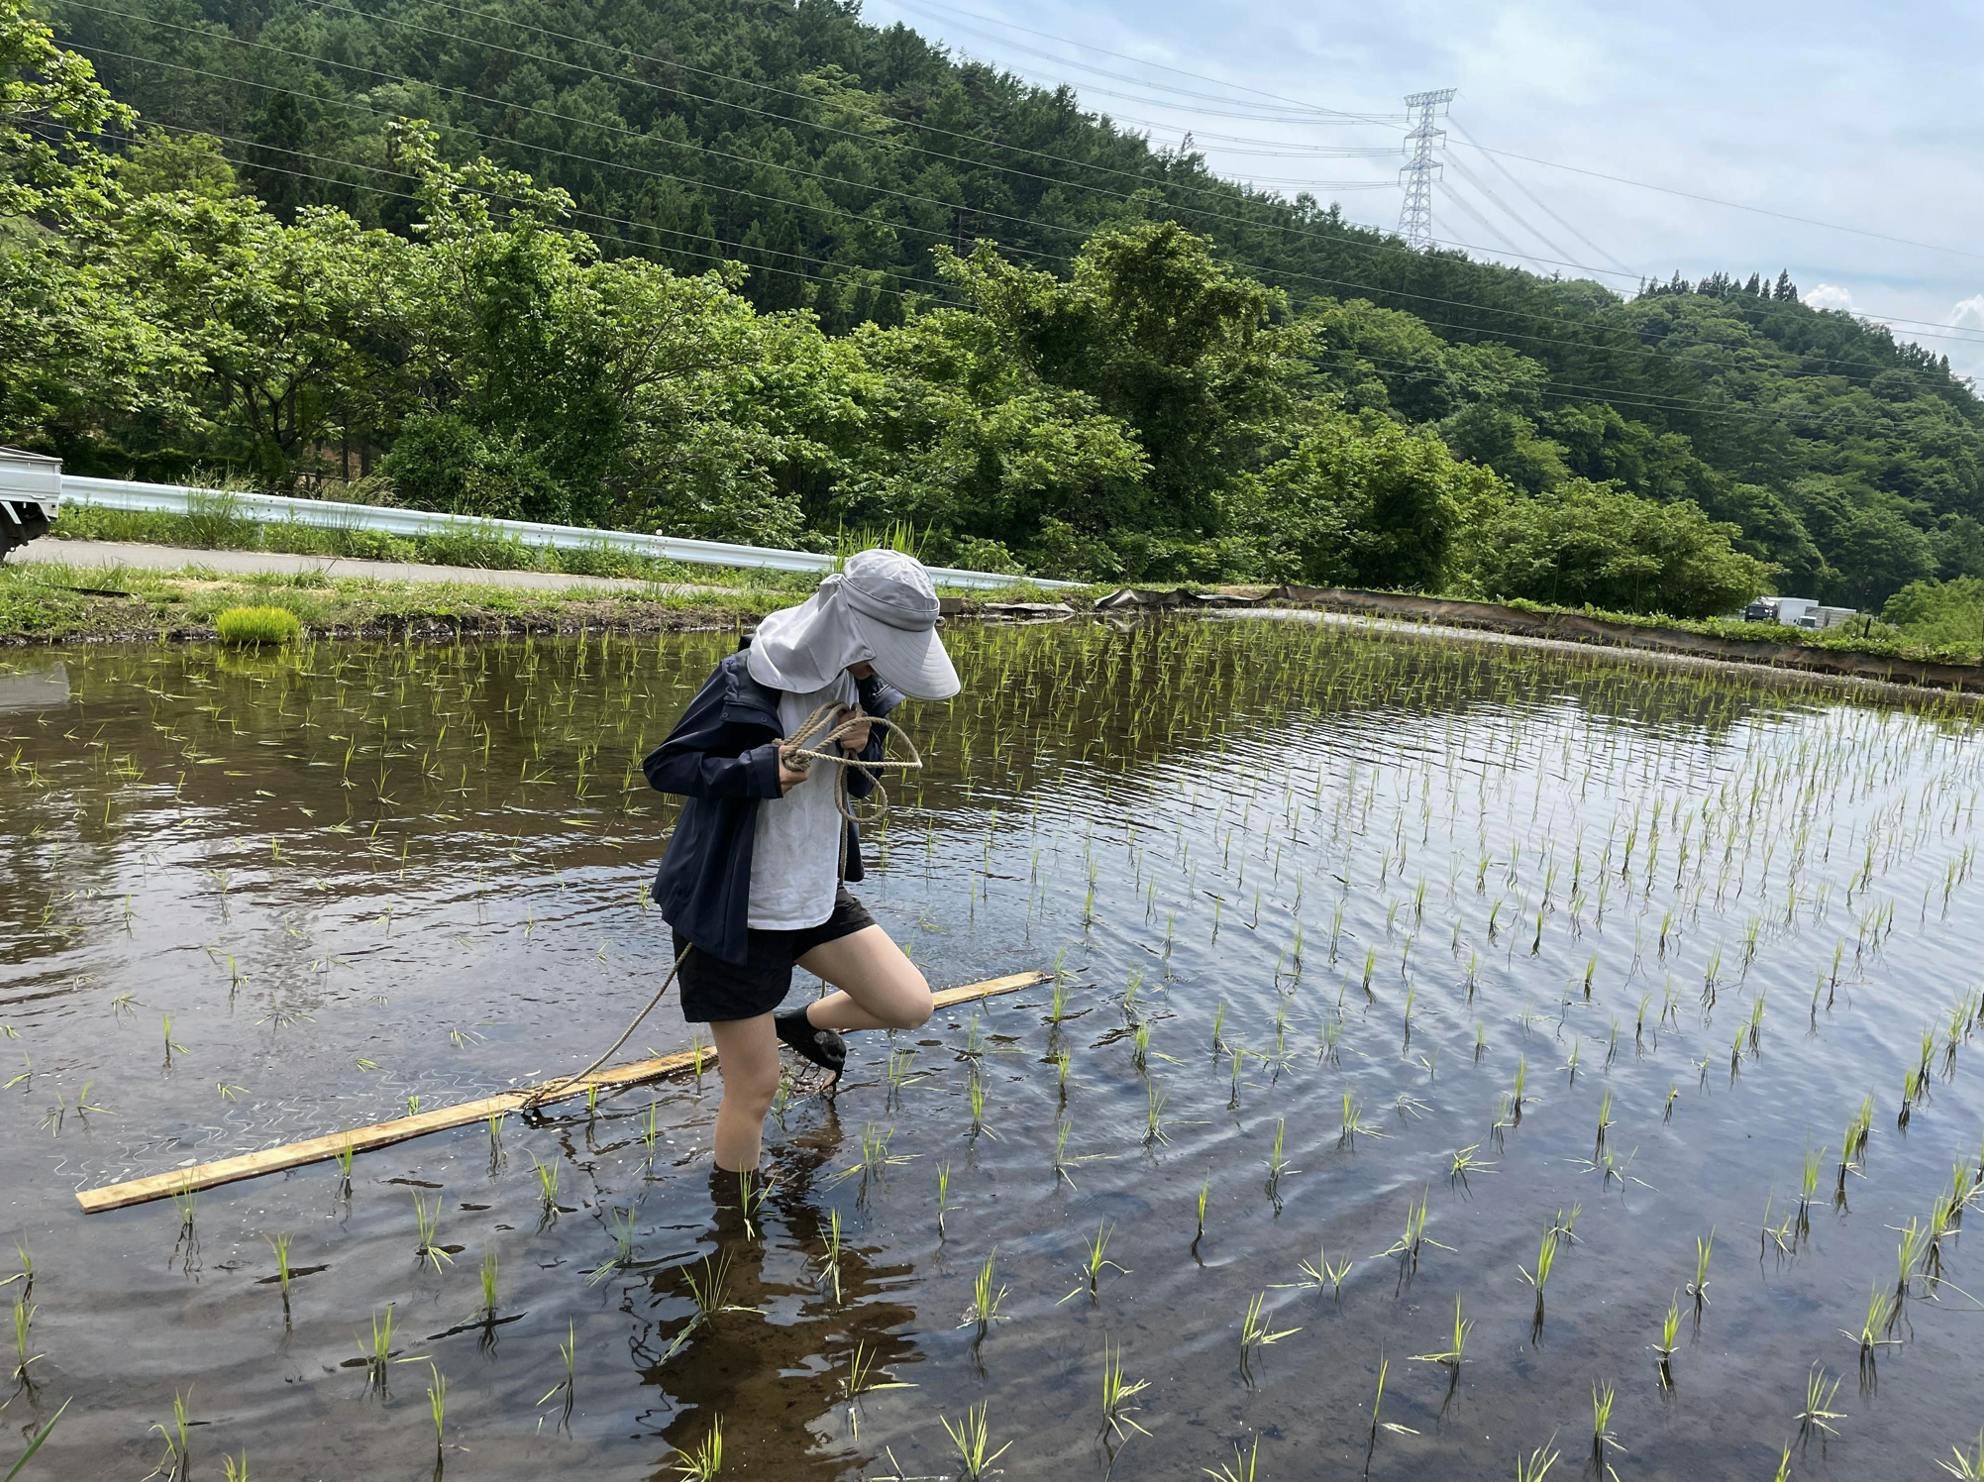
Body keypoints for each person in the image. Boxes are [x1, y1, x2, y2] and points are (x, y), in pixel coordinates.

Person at [642, 549, 960, 1178]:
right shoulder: (747, 678)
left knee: (909, 1003)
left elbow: (860, 787)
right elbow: (668, 766)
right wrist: (762, 769)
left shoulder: (863, 687)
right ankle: (735, 1239)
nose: (885, 665)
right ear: (846, 627)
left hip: (812, 894)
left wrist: (863, 743)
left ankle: (800, 1024)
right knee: (755, 1090)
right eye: (884, 648)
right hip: (737, 909)